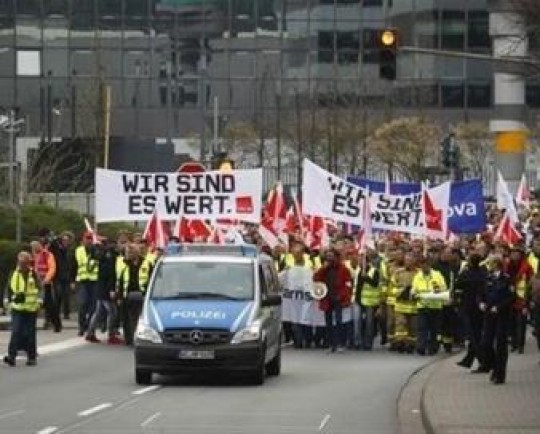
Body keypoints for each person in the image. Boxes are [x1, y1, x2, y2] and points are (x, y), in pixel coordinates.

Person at [477, 256, 514, 384]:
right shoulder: (487, 278)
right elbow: (480, 294)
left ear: (497, 264)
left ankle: (500, 374)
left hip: (502, 315)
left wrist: (498, 307)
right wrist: (481, 302)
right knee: (486, 343)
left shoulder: (506, 279)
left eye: (490, 263)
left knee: (500, 345)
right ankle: (493, 365)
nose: (489, 266)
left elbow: (510, 297)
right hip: (488, 314)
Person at [3, 252, 42, 367]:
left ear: (28, 263)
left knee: (30, 333)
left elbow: (41, 288)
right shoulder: (13, 273)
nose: (21, 265)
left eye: (24, 263)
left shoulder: (33, 274)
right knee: (16, 331)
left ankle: (31, 357)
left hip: (31, 309)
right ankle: (11, 356)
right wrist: (6, 299)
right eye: (20, 263)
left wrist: (40, 300)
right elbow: (8, 288)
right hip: (17, 308)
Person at [313, 248, 352, 353]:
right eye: (328, 256)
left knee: (339, 322)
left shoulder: (343, 269)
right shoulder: (324, 269)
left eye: (331, 256)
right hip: (327, 299)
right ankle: (331, 344)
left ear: (336, 257)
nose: (329, 258)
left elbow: (348, 284)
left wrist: (342, 295)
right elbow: (316, 278)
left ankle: (340, 343)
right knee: (328, 322)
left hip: (338, 299)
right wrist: (323, 268)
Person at [85, 240, 123, 344]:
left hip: (100, 287)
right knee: (112, 311)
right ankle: (111, 335)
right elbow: (110, 275)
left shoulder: (101, 258)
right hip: (106, 289)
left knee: (98, 312)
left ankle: (90, 333)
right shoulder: (110, 258)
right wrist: (111, 289)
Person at [455, 253, 487, 369]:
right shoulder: (484, 273)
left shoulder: (466, 273)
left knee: (472, 336)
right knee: (476, 334)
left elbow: (457, 285)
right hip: (479, 308)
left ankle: (482, 360)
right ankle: (468, 360)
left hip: (467, 307)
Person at [117, 244, 153, 345]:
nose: (128, 254)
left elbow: (151, 279)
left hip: (142, 295)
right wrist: (119, 296)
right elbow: (121, 281)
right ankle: (129, 339)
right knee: (127, 319)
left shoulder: (146, 263)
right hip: (127, 295)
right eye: (127, 252)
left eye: (130, 252)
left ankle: (139, 338)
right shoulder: (124, 264)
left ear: (136, 253)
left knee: (139, 318)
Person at [411, 257, 447, 355]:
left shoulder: (437, 275)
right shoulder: (418, 276)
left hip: (435, 306)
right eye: (422, 266)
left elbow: (443, 288)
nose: (423, 267)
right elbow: (414, 289)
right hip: (422, 306)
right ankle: (421, 347)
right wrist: (413, 294)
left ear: (429, 265)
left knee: (434, 329)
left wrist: (437, 291)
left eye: (425, 265)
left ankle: (433, 347)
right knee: (422, 327)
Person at [71, 231, 99, 336]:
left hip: (95, 281)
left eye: (90, 238)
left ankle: (89, 325)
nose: (88, 240)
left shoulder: (97, 250)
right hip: (82, 281)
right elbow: (73, 266)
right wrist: (72, 281)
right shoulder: (78, 251)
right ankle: (81, 327)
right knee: (82, 304)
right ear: (83, 240)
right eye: (87, 238)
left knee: (93, 306)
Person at [506, 245, 533, 354]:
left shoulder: (527, 266)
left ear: (520, 255)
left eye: (516, 253)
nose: (514, 255)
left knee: (521, 323)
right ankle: (514, 343)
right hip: (510, 299)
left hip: (523, 298)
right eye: (512, 254)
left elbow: (531, 283)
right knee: (511, 323)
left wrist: (529, 299)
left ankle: (520, 345)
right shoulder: (507, 266)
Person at [31, 238, 61, 332]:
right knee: (34, 305)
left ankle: (57, 324)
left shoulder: (47, 254)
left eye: (36, 246)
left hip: (45, 283)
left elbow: (52, 268)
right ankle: (32, 325)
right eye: (33, 247)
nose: (35, 248)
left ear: (40, 246)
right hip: (35, 284)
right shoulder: (33, 255)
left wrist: (46, 279)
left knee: (50, 305)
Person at [356, 249, 384, 350]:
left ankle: (368, 343)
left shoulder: (374, 271)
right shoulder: (358, 271)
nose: (359, 262)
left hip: (370, 302)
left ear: (367, 262)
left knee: (369, 323)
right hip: (359, 301)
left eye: (361, 261)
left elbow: (375, 284)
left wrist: (366, 277)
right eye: (358, 260)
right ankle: (358, 342)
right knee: (358, 322)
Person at [393, 253, 418, 354]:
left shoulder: (418, 273)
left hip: (413, 305)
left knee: (413, 327)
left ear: (414, 261)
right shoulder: (398, 272)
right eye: (406, 260)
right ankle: (400, 343)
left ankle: (411, 345)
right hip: (401, 304)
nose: (408, 262)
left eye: (410, 260)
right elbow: (393, 286)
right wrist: (400, 292)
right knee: (400, 324)